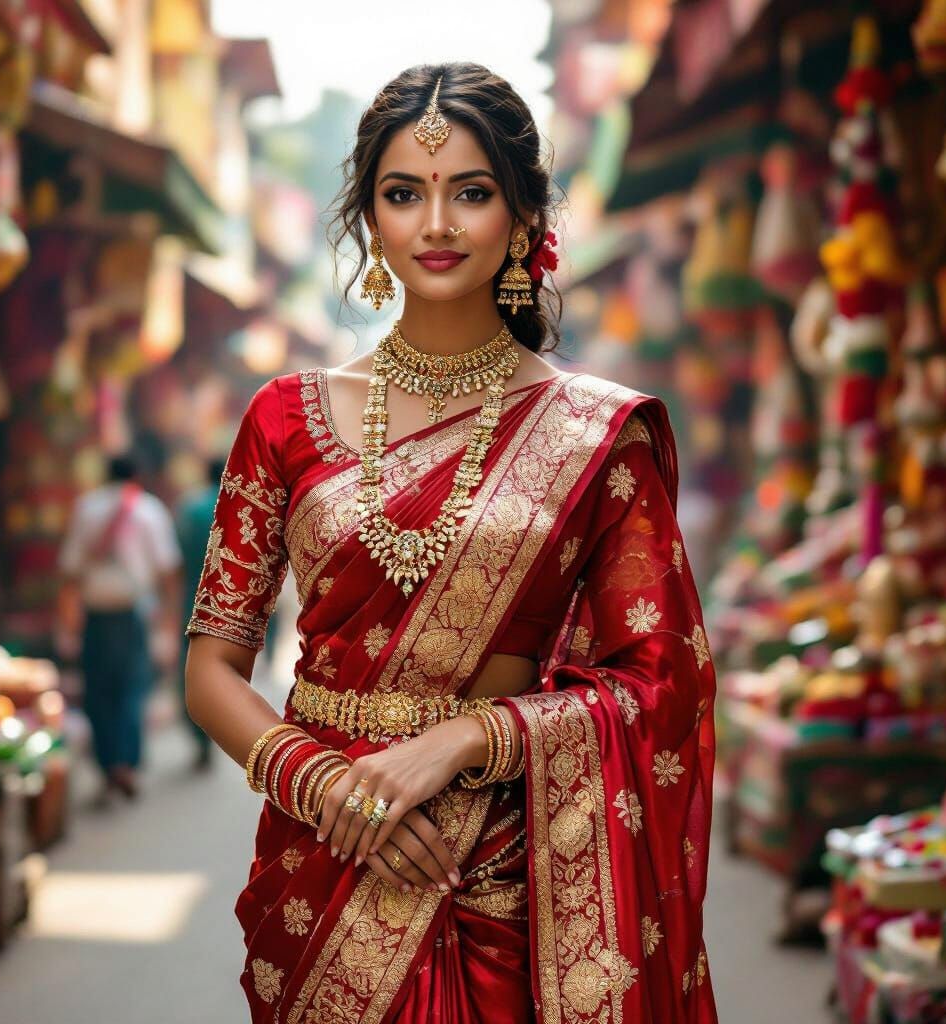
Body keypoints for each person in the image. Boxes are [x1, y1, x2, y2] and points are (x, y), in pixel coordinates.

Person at [185, 62, 718, 1024]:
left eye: (470, 192)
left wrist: (468, 738)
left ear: (522, 220)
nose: (437, 223)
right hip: (324, 865)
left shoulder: (595, 436)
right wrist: (332, 788)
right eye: (403, 194)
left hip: (511, 878)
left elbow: (662, 681)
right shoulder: (283, 417)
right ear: (371, 221)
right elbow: (212, 668)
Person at [58, 453, 182, 803]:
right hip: (133, 615)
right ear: (136, 476)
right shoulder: (149, 509)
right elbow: (168, 569)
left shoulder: (86, 508)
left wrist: (66, 624)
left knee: (99, 692)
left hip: (95, 615)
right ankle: (126, 764)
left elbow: (70, 570)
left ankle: (108, 763)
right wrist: (169, 618)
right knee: (131, 689)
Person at [175, 456, 226, 769]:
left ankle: (199, 736)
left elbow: (174, 560)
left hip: (192, 603)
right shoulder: (239, 506)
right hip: (230, 607)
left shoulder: (190, 509)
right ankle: (217, 731)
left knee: (190, 672)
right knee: (224, 674)